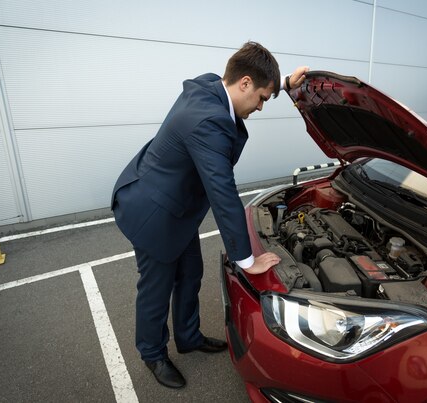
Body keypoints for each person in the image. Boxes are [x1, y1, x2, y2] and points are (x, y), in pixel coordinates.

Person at [111, 41, 308, 389]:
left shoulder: (211, 84)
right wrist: (246, 259)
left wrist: (285, 85)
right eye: (262, 98)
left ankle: (188, 337)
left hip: (177, 205)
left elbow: (253, 81)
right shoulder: (208, 121)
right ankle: (152, 353)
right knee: (155, 291)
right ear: (244, 83)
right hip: (153, 213)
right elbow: (223, 192)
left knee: (190, 274)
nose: (261, 107)